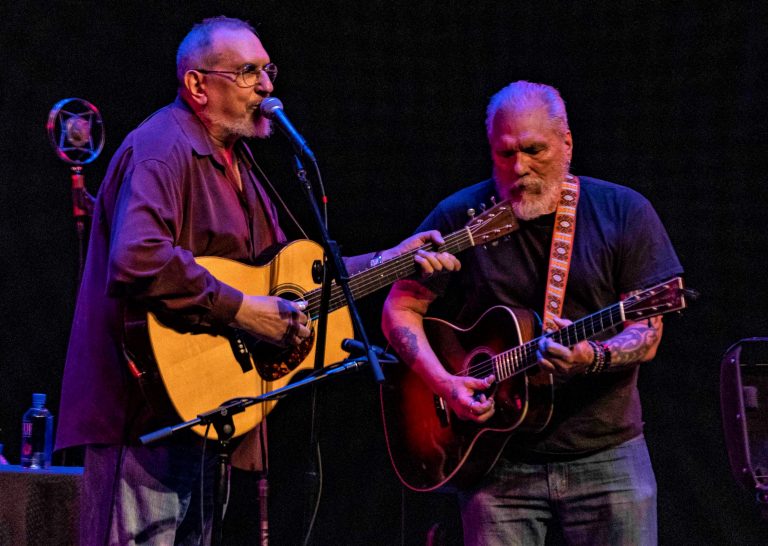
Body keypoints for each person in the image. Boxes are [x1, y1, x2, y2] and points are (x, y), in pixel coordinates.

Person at [55, 16, 458, 545]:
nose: (266, 87)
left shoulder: (243, 164)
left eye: (268, 70)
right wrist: (243, 311)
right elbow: (139, 257)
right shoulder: (162, 147)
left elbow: (296, 283)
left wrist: (393, 258)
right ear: (197, 85)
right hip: (142, 413)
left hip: (206, 413)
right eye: (248, 72)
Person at [382, 81, 683, 545]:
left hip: (606, 457)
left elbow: (647, 330)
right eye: (505, 154)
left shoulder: (623, 212)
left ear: (567, 144)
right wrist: (445, 384)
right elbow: (400, 308)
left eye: (533, 150)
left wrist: (592, 357)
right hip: (495, 462)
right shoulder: (461, 216)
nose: (519, 167)